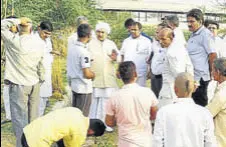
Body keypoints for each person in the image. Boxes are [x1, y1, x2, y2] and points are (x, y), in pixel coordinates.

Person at [1, 17, 45, 147]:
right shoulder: (39, 43)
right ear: (31, 28)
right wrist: (41, 78)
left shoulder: (14, 41)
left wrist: (18, 20)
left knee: (20, 121)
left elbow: (2, 25)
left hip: (19, 84)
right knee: (33, 119)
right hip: (34, 83)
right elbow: (41, 65)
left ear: (18, 27)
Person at [153, 72, 217, 147]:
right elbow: (210, 143)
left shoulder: (163, 112)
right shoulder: (204, 113)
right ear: (194, 89)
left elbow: (157, 142)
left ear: (175, 89)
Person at [105, 61, 158, 147]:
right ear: (135, 74)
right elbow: (154, 114)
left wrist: (119, 120)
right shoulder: (147, 92)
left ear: (120, 76)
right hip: (145, 141)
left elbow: (109, 122)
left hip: (125, 142)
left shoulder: (114, 97)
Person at [88, 22, 120, 132]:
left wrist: (116, 58)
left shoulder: (111, 44)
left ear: (107, 33)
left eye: (103, 32)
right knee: (93, 102)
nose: (100, 34)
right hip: (94, 77)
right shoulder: (90, 43)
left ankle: (104, 124)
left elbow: (118, 58)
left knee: (105, 103)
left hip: (108, 78)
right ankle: (92, 124)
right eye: (98, 32)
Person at [21, 107, 106, 147]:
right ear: (91, 132)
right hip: (37, 142)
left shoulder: (76, 111)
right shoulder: (81, 132)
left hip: (28, 131)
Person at [186, 8, 217, 107]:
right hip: (193, 76)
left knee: (200, 106)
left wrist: (212, 73)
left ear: (200, 21)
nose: (189, 24)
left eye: (192, 21)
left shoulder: (205, 34)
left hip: (201, 78)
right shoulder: (193, 34)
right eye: (188, 21)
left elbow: (212, 54)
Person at [157, 28, 193, 108]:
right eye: (159, 39)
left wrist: (187, 85)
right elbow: (189, 67)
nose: (161, 42)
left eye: (163, 39)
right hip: (182, 90)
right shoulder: (181, 49)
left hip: (171, 92)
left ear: (171, 38)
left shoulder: (171, 53)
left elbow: (178, 74)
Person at [66, 24, 95, 117]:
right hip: (84, 88)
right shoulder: (84, 52)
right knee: (82, 116)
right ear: (89, 35)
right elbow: (87, 73)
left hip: (74, 85)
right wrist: (93, 75)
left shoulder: (72, 48)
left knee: (75, 114)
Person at [121, 21, 152, 87]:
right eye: (131, 29)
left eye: (135, 30)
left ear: (140, 30)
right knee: (129, 91)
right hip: (128, 72)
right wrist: (119, 69)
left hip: (141, 72)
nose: (132, 31)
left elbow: (150, 57)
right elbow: (122, 55)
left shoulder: (146, 41)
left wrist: (150, 71)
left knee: (140, 92)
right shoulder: (126, 41)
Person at [34, 21, 54, 116]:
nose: (46, 36)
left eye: (49, 34)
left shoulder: (48, 40)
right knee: (37, 100)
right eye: (45, 33)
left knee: (44, 98)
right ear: (39, 29)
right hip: (36, 73)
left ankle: (40, 120)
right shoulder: (33, 40)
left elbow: (48, 51)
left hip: (47, 71)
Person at [204, 19, 226, 102]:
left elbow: (223, 59)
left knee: (213, 93)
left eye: (214, 28)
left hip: (217, 72)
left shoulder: (220, 43)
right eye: (209, 28)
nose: (211, 30)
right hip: (203, 72)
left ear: (217, 30)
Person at [206, 57, 226, 147]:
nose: (211, 72)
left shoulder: (222, 93)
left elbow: (207, 114)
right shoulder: (220, 88)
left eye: (212, 70)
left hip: (220, 140)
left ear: (218, 72)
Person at [149, 22, 167, 98]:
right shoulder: (154, 43)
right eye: (155, 32)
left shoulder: (168, 47)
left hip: (162, 78)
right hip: (154, 76)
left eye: (157, 32)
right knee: (154, 98)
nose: (155, 34)